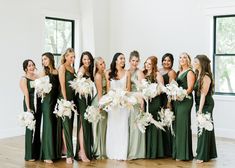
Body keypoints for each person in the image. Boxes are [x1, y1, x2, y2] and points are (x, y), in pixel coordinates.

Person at [106, 53, 131, 160]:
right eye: (121, 58)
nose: (123, 60)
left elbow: (128, 89)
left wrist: (122, 96)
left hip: (123, 104)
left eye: (124, 59)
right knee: (113, 127)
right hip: (113, 105)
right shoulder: (108, 73)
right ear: (115, 60)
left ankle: (122, 153)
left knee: (123, 127)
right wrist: (114, 97)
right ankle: (112, 151)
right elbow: (108, 90)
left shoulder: (127, 73)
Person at [193, 54, 217, 163]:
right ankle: (208, 152)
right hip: (199, 103)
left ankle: (202, 155)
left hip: (205, 104)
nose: (194, 64)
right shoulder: (198, 74)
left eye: (196, 62)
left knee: (204, 127)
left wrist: (200, 110)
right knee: (203, 128)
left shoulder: (206, 76)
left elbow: (203, 95)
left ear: (201, 63)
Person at [172, 52, 195, 161]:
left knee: (183, 125)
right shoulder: (179, 72)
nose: (182, 59)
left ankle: (183, 154)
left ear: (188, 60)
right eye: (180, 57)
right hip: (177, 101)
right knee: (178, 126)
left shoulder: (190, 72)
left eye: (184, 57)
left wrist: (181, 95)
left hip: (185, 101)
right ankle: (180, 152)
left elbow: (190, 88)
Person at [19, 59, 42, 161]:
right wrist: (28, 109)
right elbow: (26, 95)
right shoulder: (23, 79)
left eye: (32, 65)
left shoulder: (37, 77)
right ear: (25, 68)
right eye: (29, 66)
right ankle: (29, 155)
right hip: (30, 104)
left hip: (39, 104)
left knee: (37, 128)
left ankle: (36, 153)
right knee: (30, 129)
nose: (32, 67)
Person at [143, 56, 164, 159]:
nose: (147, 65)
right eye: (146, 63)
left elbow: (161, 88)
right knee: (146, 122)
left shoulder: (157, 75)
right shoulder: (143, 74)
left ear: (154, 65)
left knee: (154, 122)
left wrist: (152, 94)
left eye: (149, 64)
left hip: (154, 101)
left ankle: (155, 151)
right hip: (145, 101)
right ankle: (146, 150)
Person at [39, 52, 59, 163]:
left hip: (56, 101)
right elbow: (40, 89)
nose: (43, 61)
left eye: (45, 59)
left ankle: (55, 153)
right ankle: (47, 155)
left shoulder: (56, 71)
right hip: (47, 102)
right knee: (48, 125)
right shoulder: (43, 72)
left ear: (50, 59)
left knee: (55, 125)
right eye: (42, 60)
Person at [74, 51, 94, 162]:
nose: (86, 61)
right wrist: (82, 89)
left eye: (88, 59)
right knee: (82, 124)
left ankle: (84, 150)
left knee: (86, 124)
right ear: (82, 60)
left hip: (88, 98)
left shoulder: (89, 70)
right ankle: (82, 151)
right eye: (84, 59)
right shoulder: (81, 69)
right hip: (82, 98)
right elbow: (77, 82)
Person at [58, 48, 76, 164]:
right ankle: (69, 154)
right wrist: (65, 101)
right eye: (71, 57)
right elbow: (62, 85)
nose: (73, 59)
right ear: (65, 57)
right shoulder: (62, 67)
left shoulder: (73, 68)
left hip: (72, 100)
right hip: (64, 101)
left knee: (69, 126)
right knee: (66, 127)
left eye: (74, 57)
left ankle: (65, 150)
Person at [127, 50, 145, 160]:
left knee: (135, 125)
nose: (134, 63)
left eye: (137, 61)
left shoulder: (139, 72)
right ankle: (128, 149)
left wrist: (141, 101)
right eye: (133, 60)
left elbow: (143, 89)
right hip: (127, 101)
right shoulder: (126, 71)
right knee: (128, 125)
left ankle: (136, 152)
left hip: (137, 101)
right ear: (129, 60)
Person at [159, 53, 176, 157]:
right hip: (159, 99)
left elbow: (171, 89)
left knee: (167, 122)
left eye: (168, 61)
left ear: (172, 62)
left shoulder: (171, 73)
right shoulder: (159, 71)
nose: (166, 62)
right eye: (164, 60)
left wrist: (169, 103)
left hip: (167, 99)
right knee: (161, 122)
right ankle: (162, 149)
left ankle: (169, 150)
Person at [92, 57, 107, 159]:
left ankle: (104, 149)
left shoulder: (104, 73)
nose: (103, 65)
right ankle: (99, 151)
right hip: (100, 101)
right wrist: (101, 105)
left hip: (105, 100)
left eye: (104, 63)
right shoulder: (98, 76)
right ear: (96, 66)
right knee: (100, 126)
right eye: (101, 64)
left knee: (104, 126)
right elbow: (100, 93)